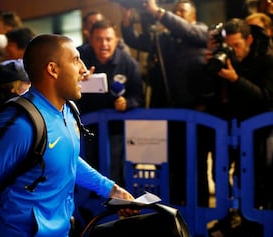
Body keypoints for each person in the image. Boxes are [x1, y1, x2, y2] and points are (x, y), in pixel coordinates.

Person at [0, 33, 136, 237]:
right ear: (53, 69)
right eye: (75, 60)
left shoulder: (69, 110)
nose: (83, 69)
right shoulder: (20, 124)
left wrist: (112, 190)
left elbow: (65, 158)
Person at [120, 0, 210, 206]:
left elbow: (187, 31)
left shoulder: (201, 31)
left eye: (182, 11)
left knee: (197, 164)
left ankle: (200, 209)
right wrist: (127, 23)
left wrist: (159, 12)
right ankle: (174, 208)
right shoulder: (165, 38)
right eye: (175, 10)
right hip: (170, 112)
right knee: (172, 162)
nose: (177, 14)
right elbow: (138, 41)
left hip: (197, 115)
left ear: (193, 16)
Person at [206, 18, 273, 209]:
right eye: (229, 45)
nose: (233, 50)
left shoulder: (266, 60)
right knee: (219, 173)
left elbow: (266, 97)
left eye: (237, 45)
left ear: (249, 40)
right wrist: (209, 63)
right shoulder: (223, 57)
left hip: (256, 131)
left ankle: (250, 222)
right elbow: (208, 92)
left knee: (250, 177)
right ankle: (226, 218)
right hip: (226, 126)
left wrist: (236, 79)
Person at [77, 20, 144, 186]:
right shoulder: (78, 58)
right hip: (83, 130)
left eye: (108, 39)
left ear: (116, 40)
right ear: (90, 40)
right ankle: (88, 209)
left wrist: (127, 103)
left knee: (114, 171)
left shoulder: (128, 64)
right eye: (98, 39)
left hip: (116, 131)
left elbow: (139, 97)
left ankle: (115, 207)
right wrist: (76, 77)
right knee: (87, 172)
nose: (104, 44)